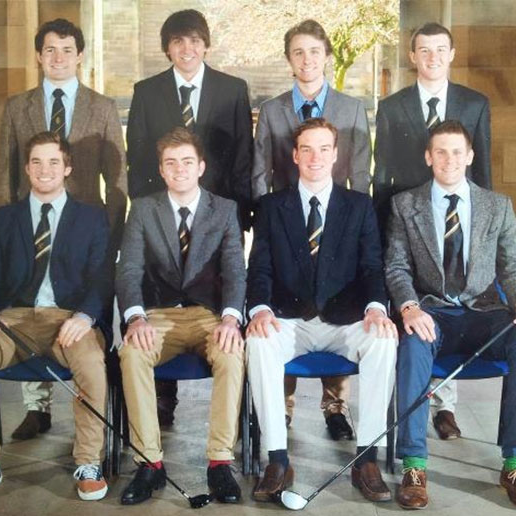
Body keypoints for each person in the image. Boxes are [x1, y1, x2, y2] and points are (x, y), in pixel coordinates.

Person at [385, 120, 516, 510]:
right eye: (440, 152)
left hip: (484, 312)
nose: (449, 159)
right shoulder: (405, 205)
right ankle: (414, 466)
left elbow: (514, 265)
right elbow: (397, 267)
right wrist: (409, 307)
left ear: (470, 156)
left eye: (457, 152)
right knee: (412, 342)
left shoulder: (497, 206)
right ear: (428, 157)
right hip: (433, 312)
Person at [246, 118, 397, 503]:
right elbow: (259, 267)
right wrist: (260, 309)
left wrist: (376, 309)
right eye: (307, 149)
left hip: (344, 321)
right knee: (259, 342)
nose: (316, 157)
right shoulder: (271, 206)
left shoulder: (358, 206)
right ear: (295, 156)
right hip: (290, 318)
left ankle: (367, 458)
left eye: (324, 149)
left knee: (383, 340)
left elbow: (372, 267)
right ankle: (277, 459)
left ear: (336, 155)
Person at [0, 132, 112, 502]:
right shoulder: (4, 218)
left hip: (69, 319)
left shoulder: (92, 217)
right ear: (27, 169)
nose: (45, 170)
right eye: (37, 162)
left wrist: (86, 316)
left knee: (92, 363)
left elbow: (103, 276)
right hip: (14, 320)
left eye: (54, 162)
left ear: (67, 168)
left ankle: (88, 462)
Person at [0, 18, 127, 441]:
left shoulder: (102, 107)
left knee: (85, 319)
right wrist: (5, 233)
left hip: (86, 233)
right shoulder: (17, 107)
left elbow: (117, 180)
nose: (58, 58)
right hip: (31, 229)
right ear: (38, 56)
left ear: (80, 56)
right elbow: (5, 175)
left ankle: (91, 412)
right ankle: (37, 408)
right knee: (31, 308)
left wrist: (112, 238)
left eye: (67, 50)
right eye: (50, 50)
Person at [126, 9, 253, 424]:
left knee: (210, 300)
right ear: (167, 48)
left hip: (217, 216)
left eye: (195, 40)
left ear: (206, 45)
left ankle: (230, 410)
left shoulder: (232, 89)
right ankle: (164, 397)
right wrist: (150, 214)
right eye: (178, 41)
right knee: (164, 295)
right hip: (163, 215)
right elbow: (137, 157)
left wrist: (238, 213)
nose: (187, 49)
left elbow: (242, 156)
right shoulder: (147, 91)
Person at [252, 18, 373, 440]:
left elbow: (361, 172)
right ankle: (281, 409)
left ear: (327, 57)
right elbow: (260, 172)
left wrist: (355, 224)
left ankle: (335, 406)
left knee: (337, 302)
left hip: (336, 224)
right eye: (298, 52)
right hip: (287, 226)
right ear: (289, 60)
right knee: (289, 308)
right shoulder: (272, 111)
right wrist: (263, 222)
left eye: (315, 52)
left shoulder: (350, 108)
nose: (307, 60)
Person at [115, 128, 246, 505]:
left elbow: (235, 270)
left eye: (187, 162)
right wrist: (135, 318)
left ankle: (220, 462)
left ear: (201, 166)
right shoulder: (143, 209)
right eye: (171, 163)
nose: (180, 169)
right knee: (132, 353)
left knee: (232, 353)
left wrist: (231, 318)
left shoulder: (224, 209)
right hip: (158, 315)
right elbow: (129, 269)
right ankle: (149, 464)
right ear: (161, 169)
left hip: (209, 316)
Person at [374, 22, 492, 438]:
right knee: (418, 310)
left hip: (457, 217)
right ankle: (414, 404)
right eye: (424, 50)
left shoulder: (475, 104)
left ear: (452, 54)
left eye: (440, 49)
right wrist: (382, 228)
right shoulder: (392, 107)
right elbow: (382, 174)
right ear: (412, 56)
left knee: (451, 298)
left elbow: (483, 172)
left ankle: (445, 407)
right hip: (410, 221)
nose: (432, 57)